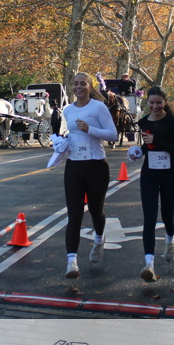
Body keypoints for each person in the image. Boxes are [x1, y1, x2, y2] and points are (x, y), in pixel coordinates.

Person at [61, 72, 117, 279]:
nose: (78, 87)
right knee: (74, 214)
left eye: (82, 83)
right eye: (75, 83)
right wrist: (61, 144)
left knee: (95, 210)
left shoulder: (98, 107)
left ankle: (99, 239)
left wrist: (90, 129)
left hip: (96, 165)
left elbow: (113, 135)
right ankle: (71, 262)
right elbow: (70, 134)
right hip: (73, 166)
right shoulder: (67, 109)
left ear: (90, 86)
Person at [131, 85, 174, 282]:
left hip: (169, 174)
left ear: (165, 102)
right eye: (152, 103)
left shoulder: (172, 121)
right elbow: (147, 146)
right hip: (150, 174)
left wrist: (157, 140)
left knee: (167, 216)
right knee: (149, 219)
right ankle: (149, 265)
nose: (155, 106)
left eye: (159, 103)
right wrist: (137, 151)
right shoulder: (143, 122)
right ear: (147, 102)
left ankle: (170, 239)